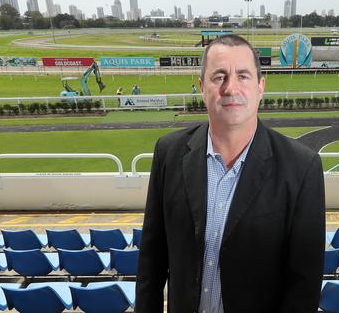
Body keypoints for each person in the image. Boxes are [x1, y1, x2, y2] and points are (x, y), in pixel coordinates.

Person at [136, 34, 325, 313]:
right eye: (219, 76)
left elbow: (304, 285)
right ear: (202, 88)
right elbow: (152, 262)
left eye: (243, 76)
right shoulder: (169, 153)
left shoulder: (302, 167)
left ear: (261, 87)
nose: (230, 87)